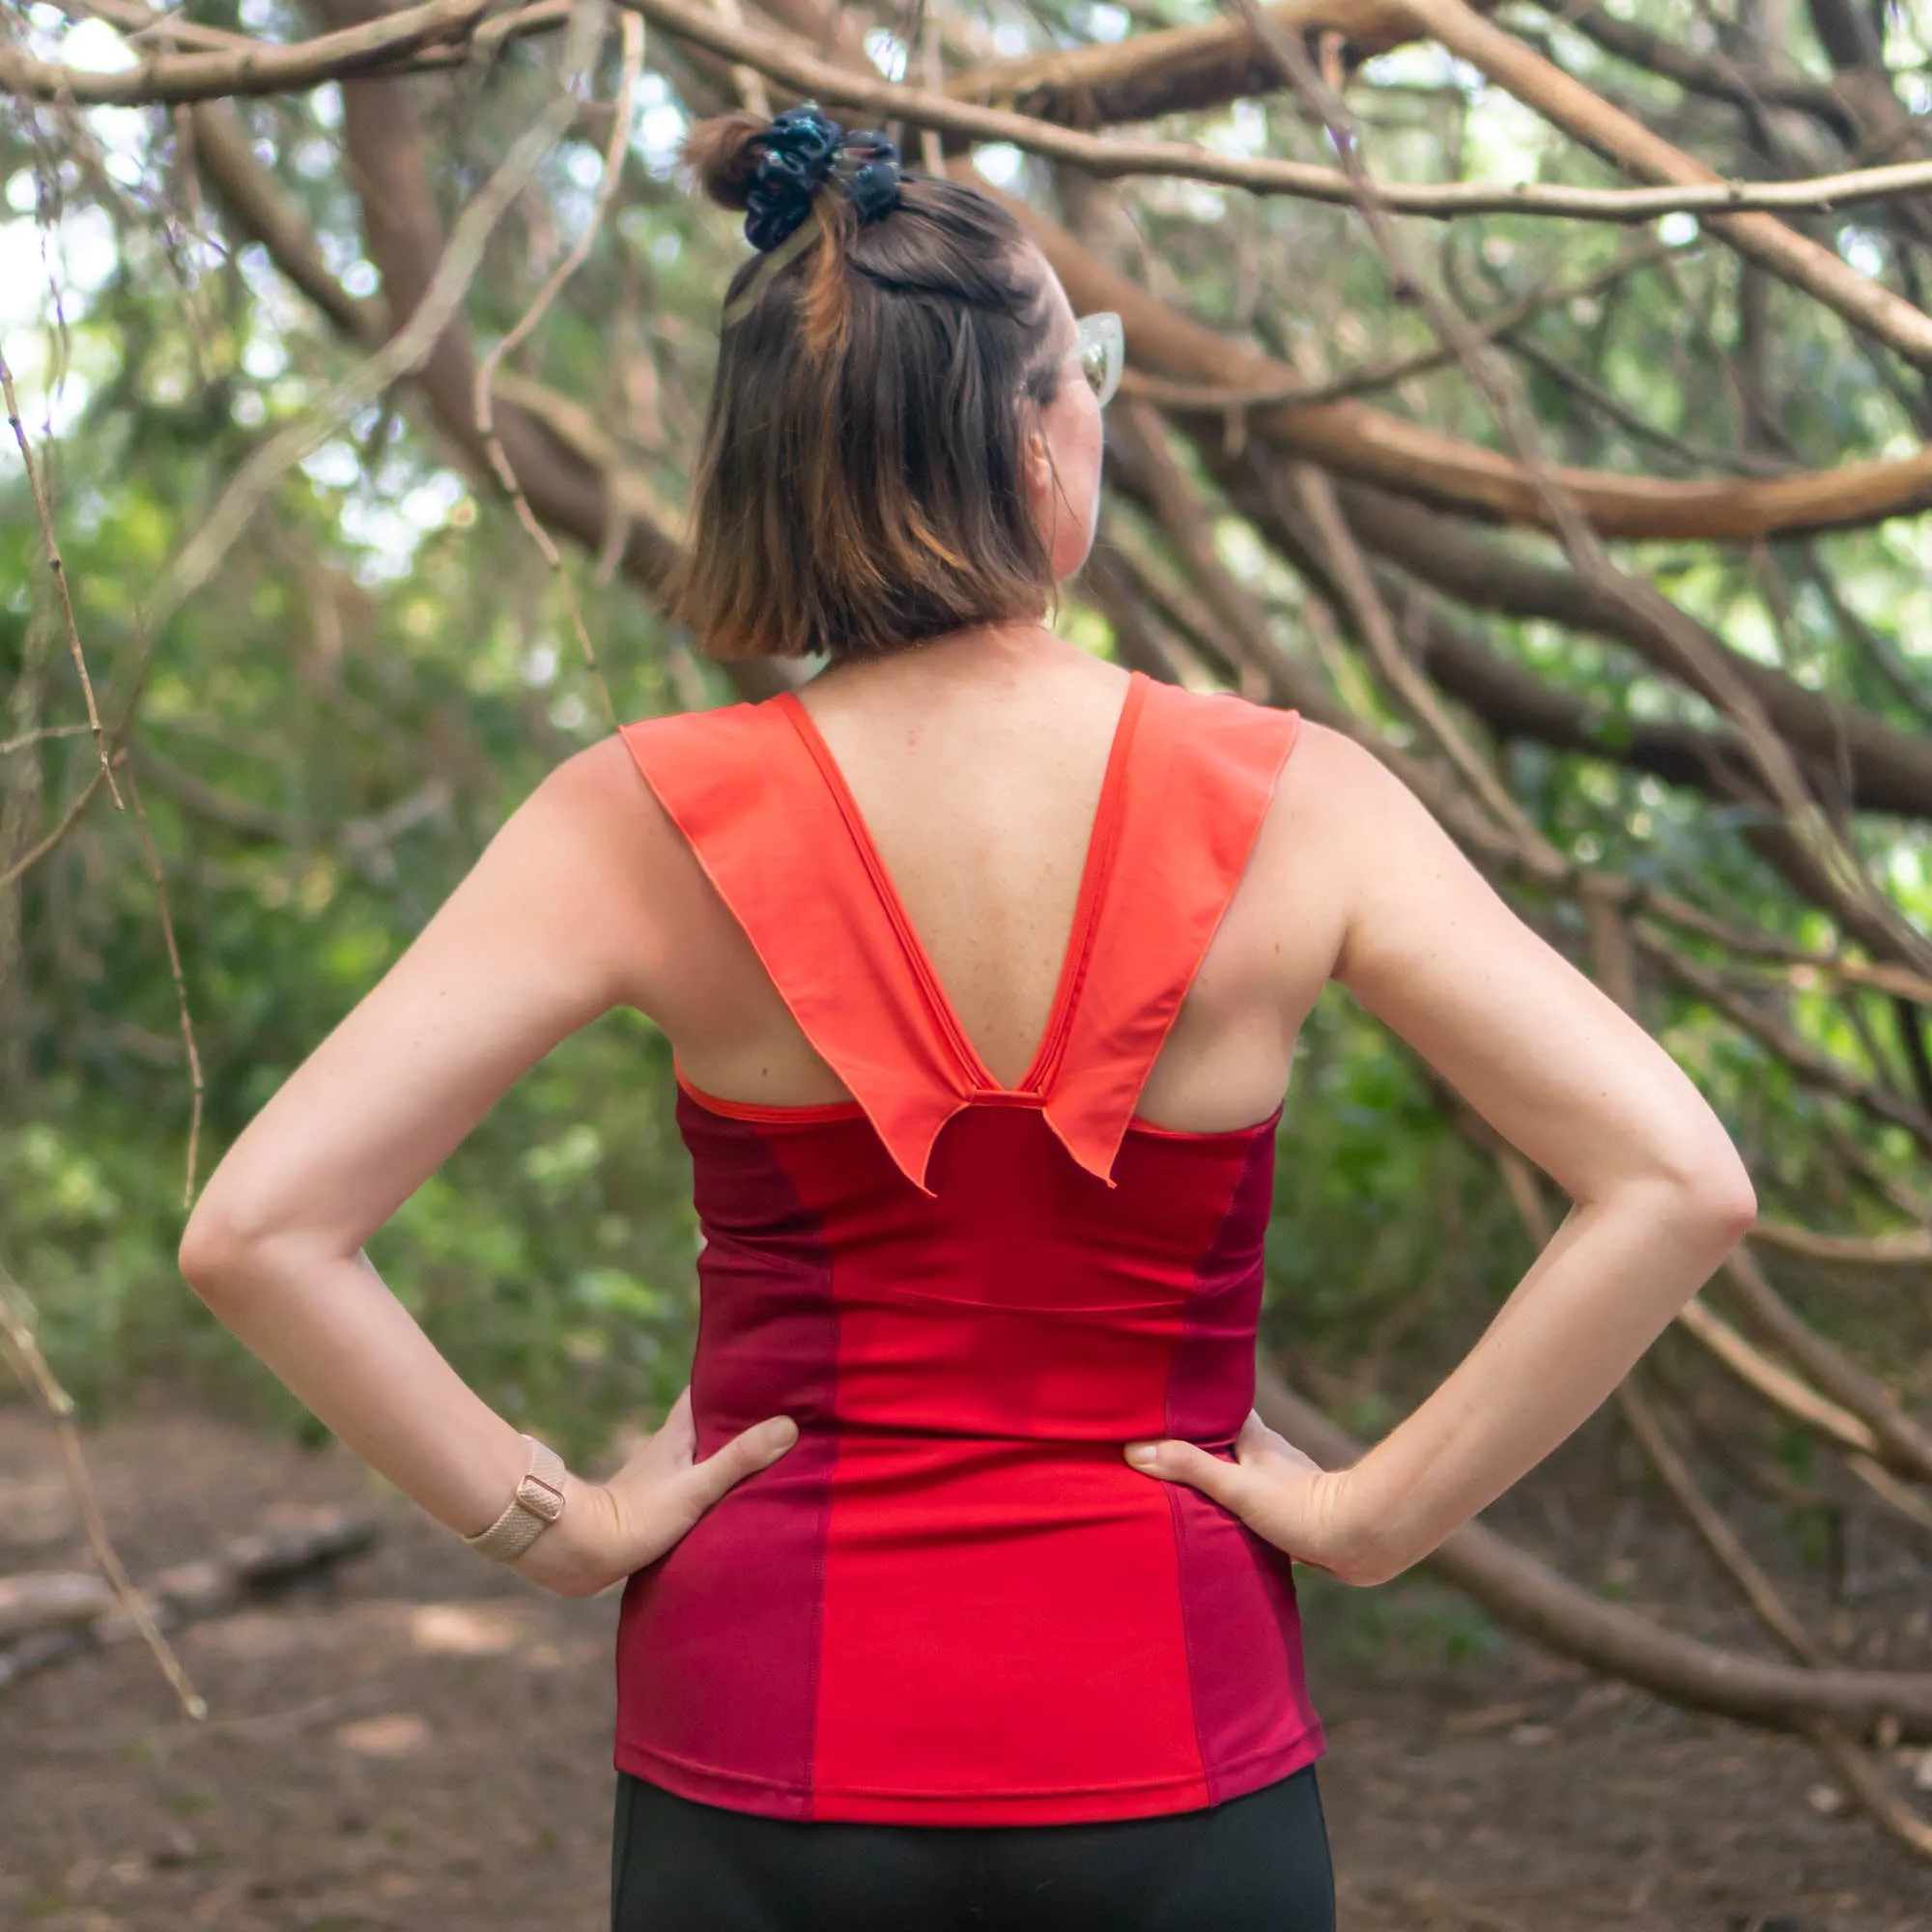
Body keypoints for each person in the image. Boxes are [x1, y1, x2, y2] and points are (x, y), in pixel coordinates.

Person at [178, 103, 1758, 1932]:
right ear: (1028, 428)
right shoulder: (1292, 798)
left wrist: (569, 1530)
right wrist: (1378, 1516)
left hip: (761, 1740)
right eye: (1086, 371)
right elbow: (1677, 1182)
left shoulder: (640, 812)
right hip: (1174, 1729)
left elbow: (261, 1231)